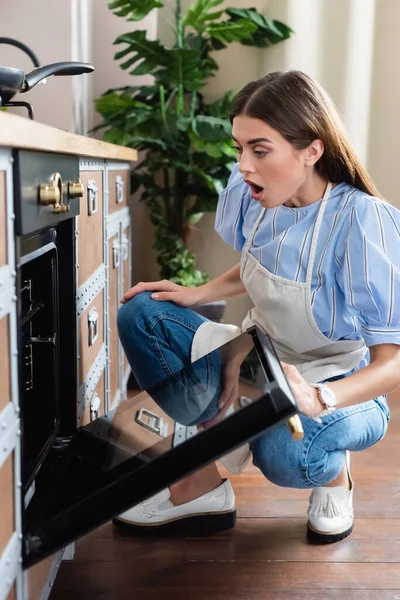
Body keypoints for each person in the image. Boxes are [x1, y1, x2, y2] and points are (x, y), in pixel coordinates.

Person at [115, 70, 400, 543]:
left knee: (288, 456)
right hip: (257, 354)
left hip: (336, 379)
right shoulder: (256, 194)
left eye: (260, 150)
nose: (244, 165)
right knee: (142, 313)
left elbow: (392, 364)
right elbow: (258, 266)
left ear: (312, 150)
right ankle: (205, 479)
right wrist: (196, 293)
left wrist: (318, 398)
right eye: (239, 148)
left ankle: (333, 476)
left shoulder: (363, 221)